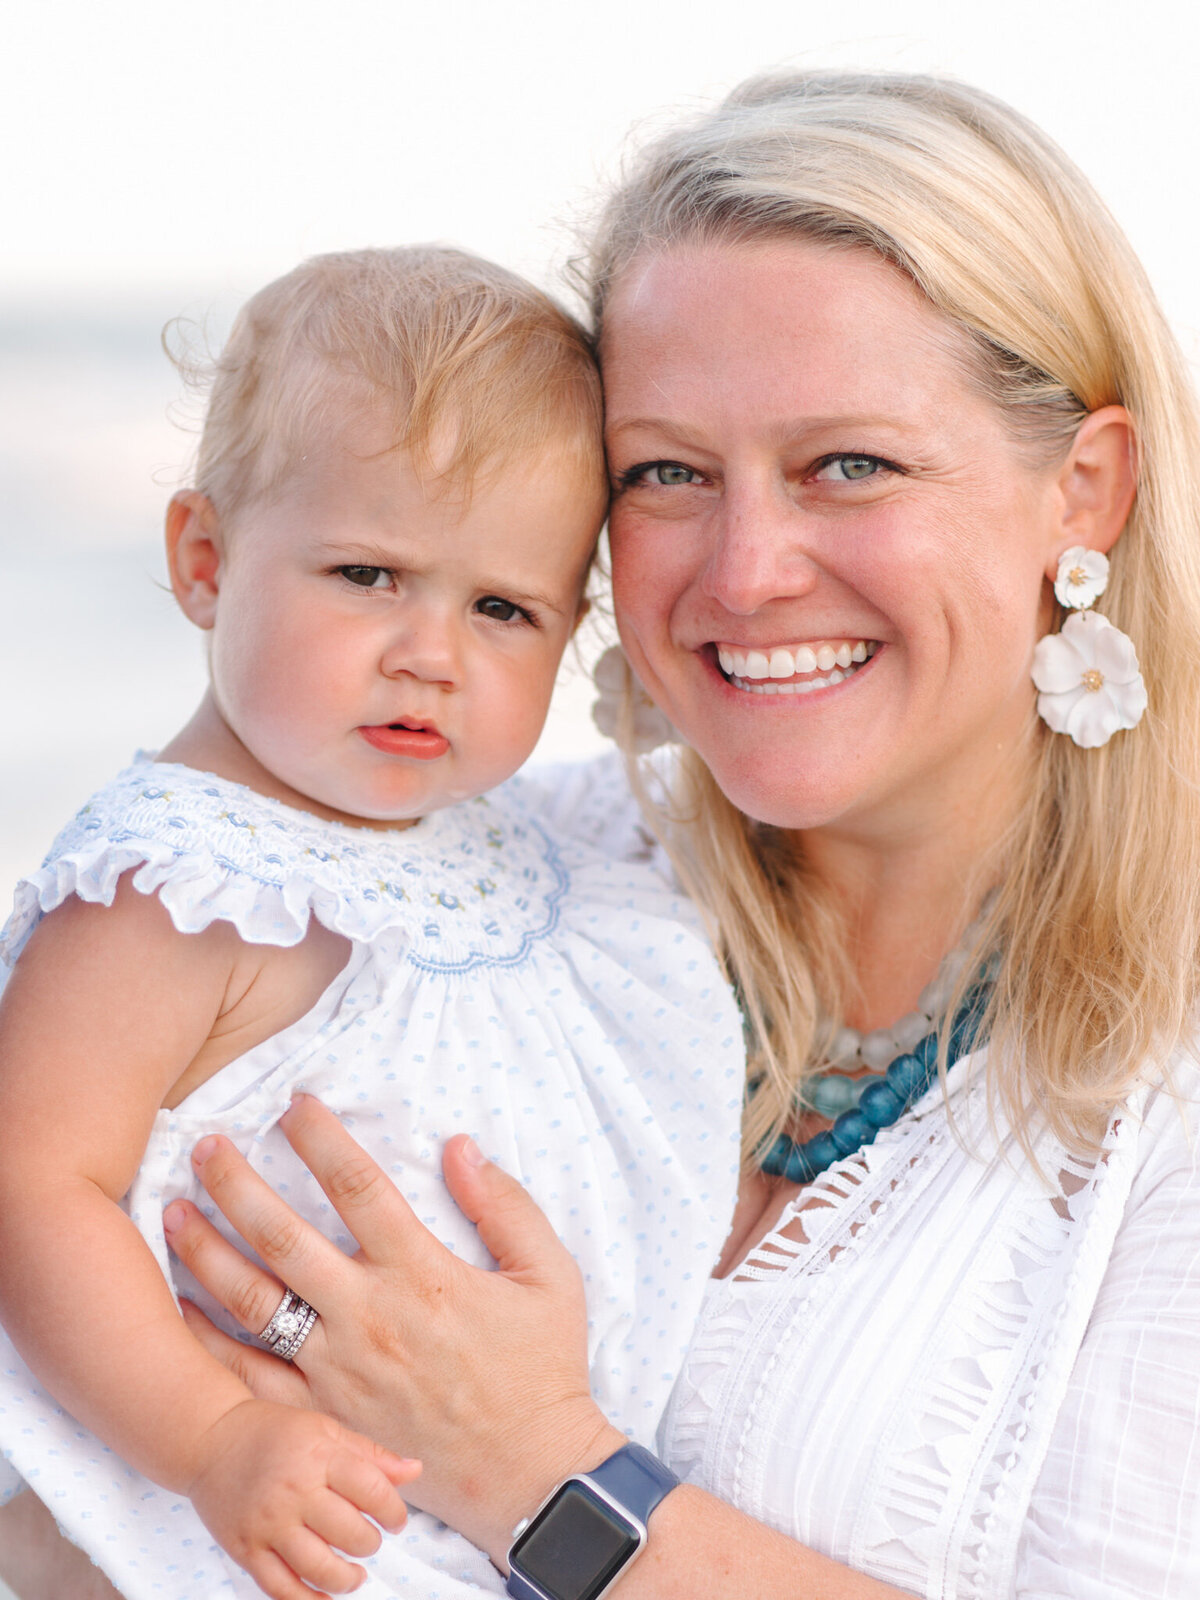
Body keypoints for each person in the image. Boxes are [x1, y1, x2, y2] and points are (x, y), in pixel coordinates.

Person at [153, 70, 1200, 1599]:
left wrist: (538, 1471)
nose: (747, 570)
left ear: (1083, 492)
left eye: (850, 463)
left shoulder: (1159, 1066)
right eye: (667, 475)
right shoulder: (456, 888)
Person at [0, 246, 744, 1600]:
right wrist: (213, 1438)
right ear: (205, 560)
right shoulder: (177, 887)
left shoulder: (510, 845)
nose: (432, 652)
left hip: (447, 1504)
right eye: (367, 574)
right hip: (218, 1508)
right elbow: (32, 1190)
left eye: (503, 608)